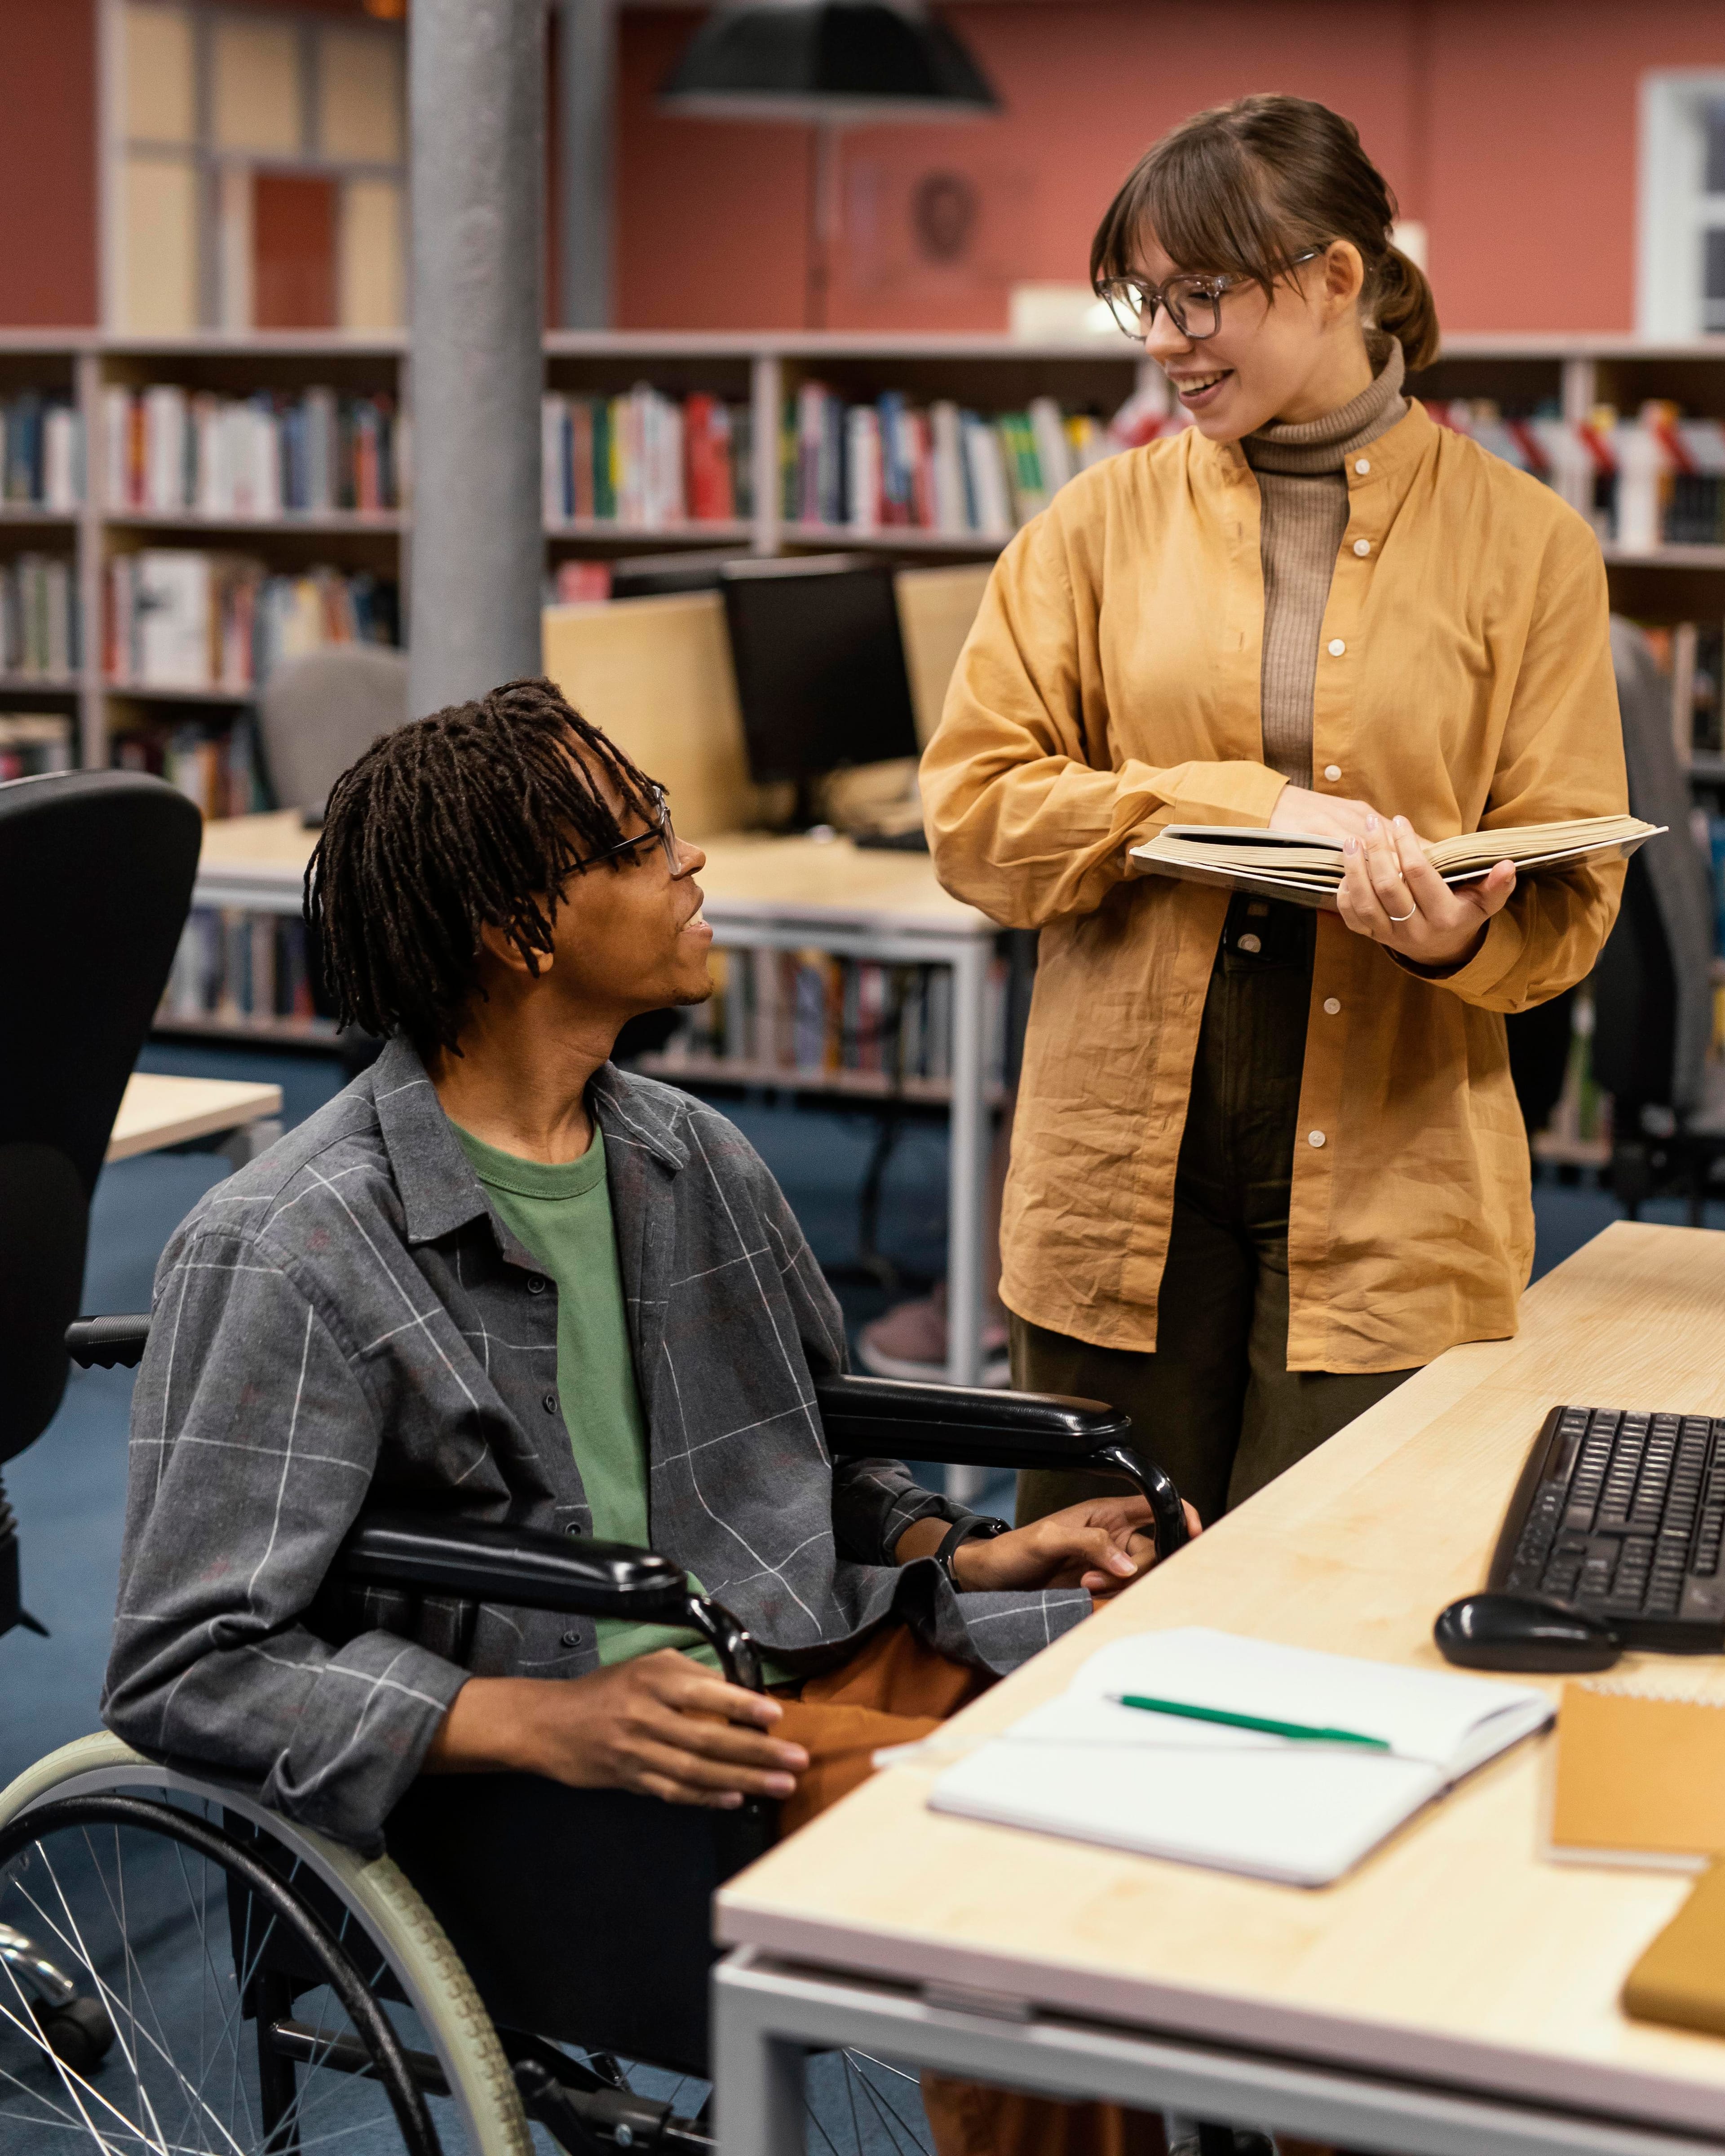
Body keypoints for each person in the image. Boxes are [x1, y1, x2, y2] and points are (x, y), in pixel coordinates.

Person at [103, 679, 1195, 2156]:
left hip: (801, 1649)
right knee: (1016, 1877)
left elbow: (813, 1456)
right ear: (518, 931)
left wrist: (967, 1550)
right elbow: (191, 1662)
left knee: (1201, 1752)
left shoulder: (693, 1155)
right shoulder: (291, 1248)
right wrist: (545, 1721)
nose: (691, 865)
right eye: (638, 844)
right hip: (570, 1782)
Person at [922, 94, 1629, 1537]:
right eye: (1146, 299)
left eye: (1203, 298)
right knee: (1084, 1594)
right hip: (1118, 1167)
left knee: (1332, 1599)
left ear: (1335, 279)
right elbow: (974, 817)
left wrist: (1450, 945)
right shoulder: (1091, 528)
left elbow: (1574, 891)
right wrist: (1240, 806)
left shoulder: (1531, 545)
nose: (1166, 340)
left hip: (1394, 1171)